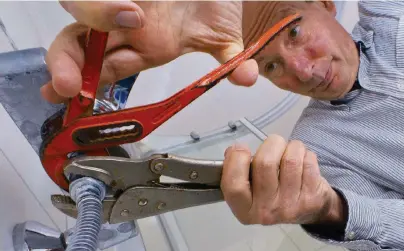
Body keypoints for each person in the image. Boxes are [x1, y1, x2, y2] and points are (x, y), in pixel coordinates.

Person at [42, 1, 404, 250]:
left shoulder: (391, 14)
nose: (303, 70)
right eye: (271, 66)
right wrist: (328, 209)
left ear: (325, 4)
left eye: (294, 32)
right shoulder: (316, 154)